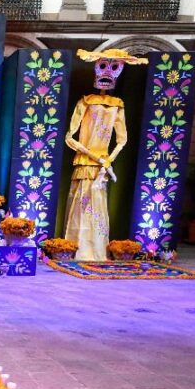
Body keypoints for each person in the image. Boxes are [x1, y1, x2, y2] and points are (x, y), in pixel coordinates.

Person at [62, 47, 148, 260]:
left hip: (102, 165)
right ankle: (75, 247)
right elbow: (69, 137)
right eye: (103, 66)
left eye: (114, 67)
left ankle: (95, 250)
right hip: (86, 162)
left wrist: (108, 159)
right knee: (80, 207)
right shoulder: (85, 101)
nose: (108, 73)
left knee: (97, 208)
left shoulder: (117, 105)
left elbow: (122, 139)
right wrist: (94, 156)